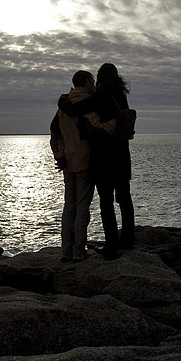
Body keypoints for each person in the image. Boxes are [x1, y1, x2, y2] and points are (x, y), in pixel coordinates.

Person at [59, 62, 134, 258]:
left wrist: (62, 100)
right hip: (122, 156)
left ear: (100, 78)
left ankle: (111, 246)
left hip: (104, 157)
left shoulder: (100, 95)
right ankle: (128, 240)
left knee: (106, 202)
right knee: (124, 199)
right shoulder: (121, 96)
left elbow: (75, 109)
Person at [49, 70, 97, 262]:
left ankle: (66, 251)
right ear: (86, 82)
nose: (94, 85)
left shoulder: (62, 107)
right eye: (92, 81)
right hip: (84, 161)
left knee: (69, 208)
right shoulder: (89, 104)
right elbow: (96, 130)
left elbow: (54, 134)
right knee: (82, 208)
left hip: (67, 162)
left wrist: (59, 155)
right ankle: (78, 251)